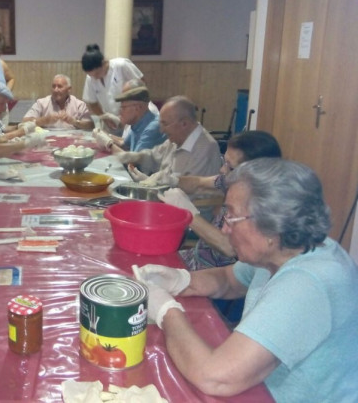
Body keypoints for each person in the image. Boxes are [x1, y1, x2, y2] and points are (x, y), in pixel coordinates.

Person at [136, 158, 358, 401]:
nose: (224, 229)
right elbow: (229, 280)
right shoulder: (284, 250)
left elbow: (214, 377)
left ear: (272, 225)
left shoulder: (308, 284)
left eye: (231, 216)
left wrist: (167, 311)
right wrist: (180, 280)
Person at [162, 130, 282, 270]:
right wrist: (170, 180)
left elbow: (230, 248)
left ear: (256, 172)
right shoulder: (233, 179)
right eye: (224, 162)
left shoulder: (263, 208)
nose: (222, 170)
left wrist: (189, 213)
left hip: (213, 274)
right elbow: (198, 183)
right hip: (194, 258)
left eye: (230, 166)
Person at [119, 95, 221, 180]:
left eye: (165, 124)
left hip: (184, 203)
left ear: (184, 124)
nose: (162, 130)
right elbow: (153, 156)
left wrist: (149, 183)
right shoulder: (176, 139)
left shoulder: (205, 148)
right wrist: (132, 157)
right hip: (163, 196)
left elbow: (185, 192)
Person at [81, 43, 144, 133]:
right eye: (92, 76)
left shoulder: (121, 65)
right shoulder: (90, 78)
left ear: (104, 63)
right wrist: (104, 116)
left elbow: (142, 86)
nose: (95, 78)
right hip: (113, 121)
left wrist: (130, 115)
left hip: (134, 118)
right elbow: (93, 102)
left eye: (97, 73)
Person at [93, 81, 166, 154]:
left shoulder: (152, 128)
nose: (120, 112)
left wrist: (109, 144)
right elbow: (125, 145)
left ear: (138, 108)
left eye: (123, 108)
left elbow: (134, 162)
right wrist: (104, 136)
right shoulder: (137, 122)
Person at [22, 74, 94, 130]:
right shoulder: (41, 103)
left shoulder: (79, 104)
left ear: (69, 89)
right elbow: (25, 122)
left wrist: (74, 122)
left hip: (73, 142)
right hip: (47, 141)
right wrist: (44, 120)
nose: (55, 90)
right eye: (53, 86)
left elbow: (90, 125)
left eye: (59, 86)